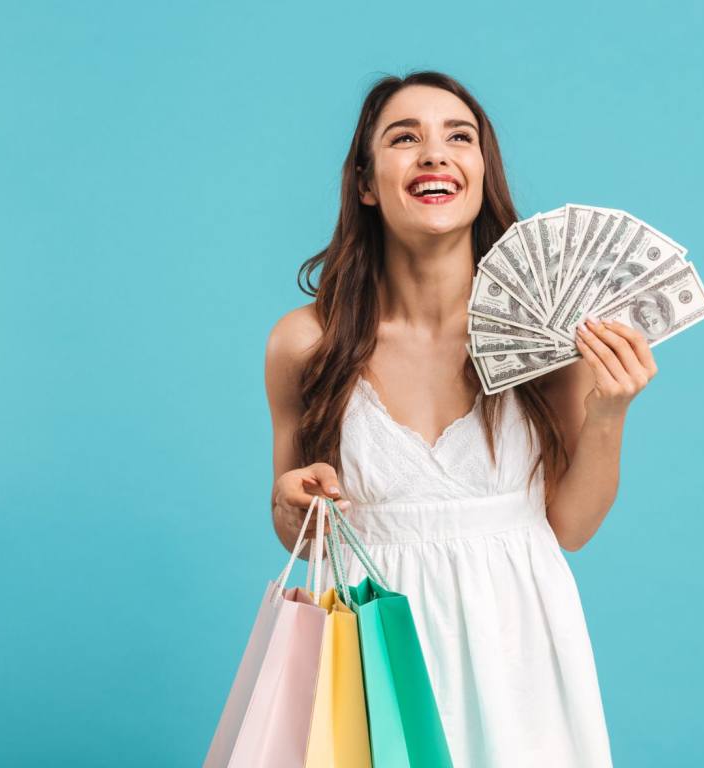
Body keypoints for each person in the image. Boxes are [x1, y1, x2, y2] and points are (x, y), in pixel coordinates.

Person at [264, 70, 657, 767]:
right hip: (372, 649)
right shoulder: (305, 342)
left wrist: (610, 413)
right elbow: (297, 527)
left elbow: (570, 527)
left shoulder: (549, 336)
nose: (434, 153)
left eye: (458, 137)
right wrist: (294, 499)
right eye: (404, 137)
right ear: (365, 180)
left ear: (481, 171)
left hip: (521, 649)